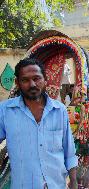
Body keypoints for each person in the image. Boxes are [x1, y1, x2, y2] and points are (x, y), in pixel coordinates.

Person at [0, 58, 78, 189]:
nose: (32, 84)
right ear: (17, 83)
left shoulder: (59, 110)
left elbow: (69, 152)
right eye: (25, 80)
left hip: (56, 184)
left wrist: (74, 183)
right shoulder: (5, 111)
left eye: (36, 78)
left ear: (45, 81)